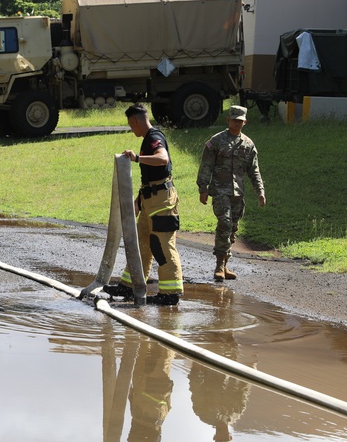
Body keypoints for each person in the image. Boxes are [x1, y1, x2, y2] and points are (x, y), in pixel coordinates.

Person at [104, 103, 183, 306]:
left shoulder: (155, 138)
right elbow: (150, 178)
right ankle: (131, 286)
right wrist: (138, 201)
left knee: (162, 245)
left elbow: (162, 159)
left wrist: (137, 158)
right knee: (140, 245)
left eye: (131, 125)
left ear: (135, 121)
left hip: (162, 203)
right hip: (150, 201)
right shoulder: (147, 138)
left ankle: (170, 293)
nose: (132, 130)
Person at [195, 105, 266, 281]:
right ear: (228, 120)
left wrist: (260, 191)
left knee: (233, 228)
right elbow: (206, 166)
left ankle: (225, 264)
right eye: (234, 120)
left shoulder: (248, 144)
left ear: (245, 122)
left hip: (238, 193)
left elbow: (254, 170)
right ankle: (219, 265)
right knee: (225, 223)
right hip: (220, 190)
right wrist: (203, 188)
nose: (237, 123)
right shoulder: (217, 141)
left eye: (240, 121)